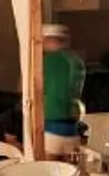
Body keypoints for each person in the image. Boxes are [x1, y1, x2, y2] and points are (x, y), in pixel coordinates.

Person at [36, 25, 84, 161]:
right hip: (73, 128)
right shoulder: (77, 62)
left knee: (49, 172)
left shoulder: (45, 62)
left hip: (51, 126)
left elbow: (37, 88)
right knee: (70, 175)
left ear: (50, 40)